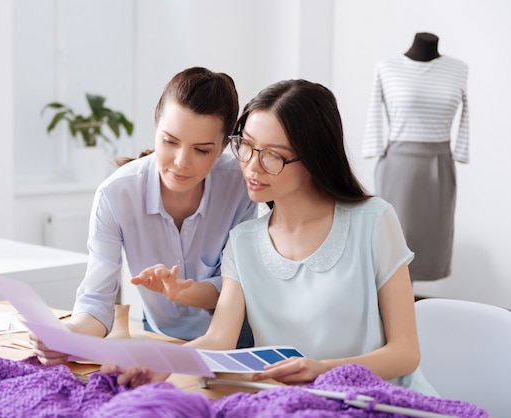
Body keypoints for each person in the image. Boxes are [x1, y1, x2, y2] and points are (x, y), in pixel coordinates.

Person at [110, 79, 437, 395]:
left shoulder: (373, 221)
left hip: (378, 400)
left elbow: (406, 353)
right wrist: (162, 363)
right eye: (247, 146)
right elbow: (219, 339)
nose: (252, 167)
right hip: (290, 402)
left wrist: (323, 370)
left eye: (272, 155)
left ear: (312, 158)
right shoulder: (243, 242)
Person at [31, 67, 257, 365]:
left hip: (231, 342)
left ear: (223, 148)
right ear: (155, 125)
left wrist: (179, 292)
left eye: (201, 150)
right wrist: (69, 333)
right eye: (170, 141)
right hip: (160, 337)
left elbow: (234, 288)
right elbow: (97, 301)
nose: (181, 162)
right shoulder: (116, 195)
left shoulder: (240, 185)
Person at [362, 32, 469, 281]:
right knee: (393, 240)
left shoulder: (458, 69)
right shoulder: (387, 67)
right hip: (399, 164)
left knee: (434, 240)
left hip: (440, 164)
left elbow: (466, 115)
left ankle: (409, 310)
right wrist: (374, 147)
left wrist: (460, 151)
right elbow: (374, 113)